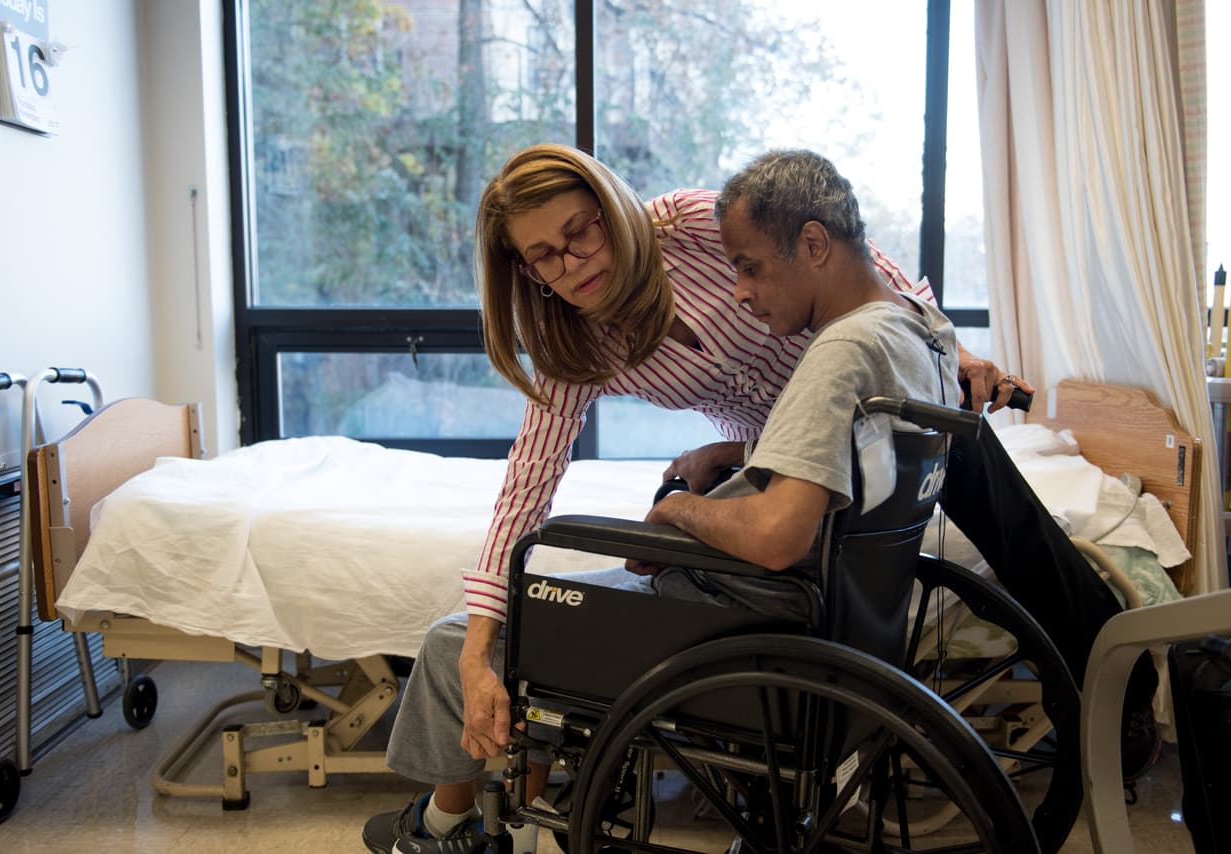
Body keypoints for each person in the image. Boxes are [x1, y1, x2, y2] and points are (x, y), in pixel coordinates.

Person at [362, 143, 1149, 852]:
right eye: (542, 258)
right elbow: (529, 481)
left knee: (994, 495)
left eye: (581, 232)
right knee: (506, 619)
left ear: (610, 207)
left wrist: (949, 345)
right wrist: (476, 649)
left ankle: (1123, 684)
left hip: (849, 412)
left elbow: (849, 263)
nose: (570, 265)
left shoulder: (701, 227)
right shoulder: (574, 340)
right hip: (784, 448)